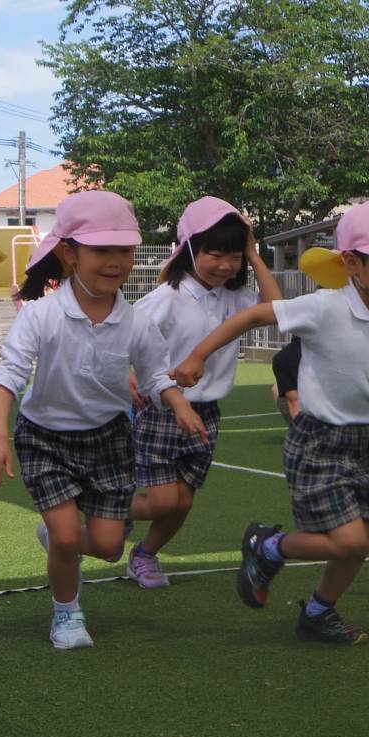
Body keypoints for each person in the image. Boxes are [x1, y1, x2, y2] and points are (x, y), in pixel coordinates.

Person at [171, 199, 369, 645]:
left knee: (361, 543)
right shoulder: (325, 307)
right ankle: (268, 547)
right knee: (349, 541)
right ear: (352, 262)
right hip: (319, 439)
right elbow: (254, 314)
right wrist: (199, 355)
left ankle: (319, 611)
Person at [0, 192, 200, 650]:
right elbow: (8, 376)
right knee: (66, 538)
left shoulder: (137, 322)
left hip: (110, 441)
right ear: (69, 252)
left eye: (125, 250)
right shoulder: (41, 315)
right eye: (101, 250)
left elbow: (156, 375)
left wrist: (178, 402)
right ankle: (67, 613)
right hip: (45, 439)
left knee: (107, 546)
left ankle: (59, 540)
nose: (116, 261)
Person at [126, 197, 282, 588]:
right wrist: (127, 374)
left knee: (183, 501)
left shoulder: (236, 298)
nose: (226, 265)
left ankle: (144, 554)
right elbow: (124, 336)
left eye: (234, 256)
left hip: (207, 412)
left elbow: (278, 309)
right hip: (161, 409)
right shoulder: (167, 296)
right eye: (215, 254)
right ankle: (100, 511)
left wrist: (253, 253)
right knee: (163, 501)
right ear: (190, 249)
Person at [272, 335, 369, 424]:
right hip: (347, 416)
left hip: (314, 417)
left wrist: (302, 432)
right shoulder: (338, 345)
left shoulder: (282, 357)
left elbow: (294, 400)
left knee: (277, 388)